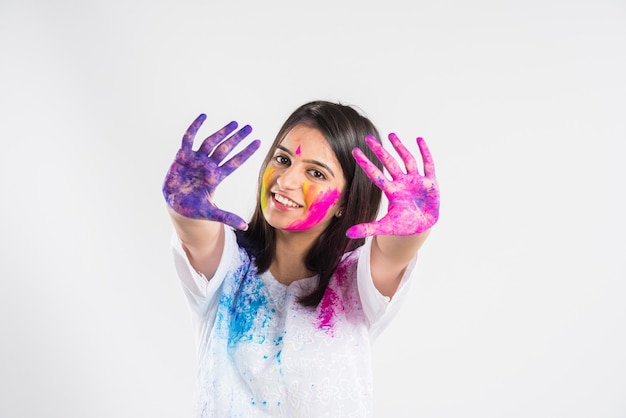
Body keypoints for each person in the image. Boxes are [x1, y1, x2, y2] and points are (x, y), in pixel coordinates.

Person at [162, 100, 440, 417]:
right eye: (282, 159)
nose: (286, 181)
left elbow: (394, 253)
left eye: (315, 173)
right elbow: (195, 232)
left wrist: (416, 225)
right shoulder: (228, 265)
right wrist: (182, 204)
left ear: (345, 201)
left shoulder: (357, 283)